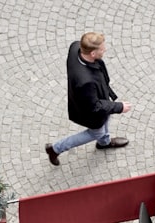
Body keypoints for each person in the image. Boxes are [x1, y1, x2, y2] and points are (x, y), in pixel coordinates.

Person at [45, 32, 131, 166]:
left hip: (95, 98)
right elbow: (95, 107)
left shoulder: (75, 48)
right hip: (90, 111)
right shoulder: (86, 82)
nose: (105, 50)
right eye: (102, 49)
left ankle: (104, 142)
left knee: (105, 119)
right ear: (92, 54)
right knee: (96, 132)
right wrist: (119, 107)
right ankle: (55, 149)